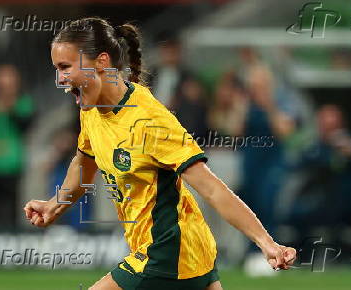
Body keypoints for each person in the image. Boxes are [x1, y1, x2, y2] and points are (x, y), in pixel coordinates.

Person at [23, 17, 296, 290]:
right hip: (188, 251)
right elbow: (84, 162)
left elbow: (211, 188)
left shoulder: (150, 122)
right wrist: (54, 204)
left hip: (165, 253)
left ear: (101, 62)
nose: (60, 79)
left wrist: (266, 243)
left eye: (65, 67)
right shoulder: (92, 110)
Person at [0, 64, 35, 229]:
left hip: (12, 163)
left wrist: (10, 107)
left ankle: (10, 242)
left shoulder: (23, 102)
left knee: (12, 207)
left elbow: (25, 126)